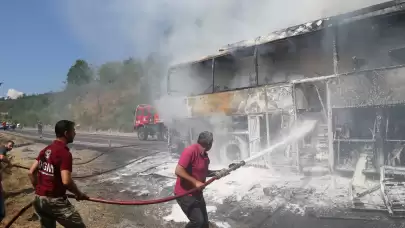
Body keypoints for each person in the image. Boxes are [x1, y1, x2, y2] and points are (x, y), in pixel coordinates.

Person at [28, 120, 89, 228]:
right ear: (66, 133)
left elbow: (31, 172)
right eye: (73, 131)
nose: (75, 133)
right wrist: (78, 194)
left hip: (39, 201)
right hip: (55, 202)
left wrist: (39, 190)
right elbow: (66, 181)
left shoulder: (45, 150)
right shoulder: (64, 153)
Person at [174, 131, 230, 228]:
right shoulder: (190, 151)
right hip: (185, 194)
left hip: (197, 194)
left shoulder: (204, 155)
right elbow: (178, 170)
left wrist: (218, 172)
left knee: (204, 224)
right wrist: (195, 182)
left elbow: (203, 172)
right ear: (209, 144)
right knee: (197, 222)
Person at [0, 140, 14, 222]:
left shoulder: (2, 149)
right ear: (6, 144)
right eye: (10, 145)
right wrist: (9, 162)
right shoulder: (3, 148)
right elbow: (1, 157)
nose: (11, 147)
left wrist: (5, 170)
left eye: (12, 146)